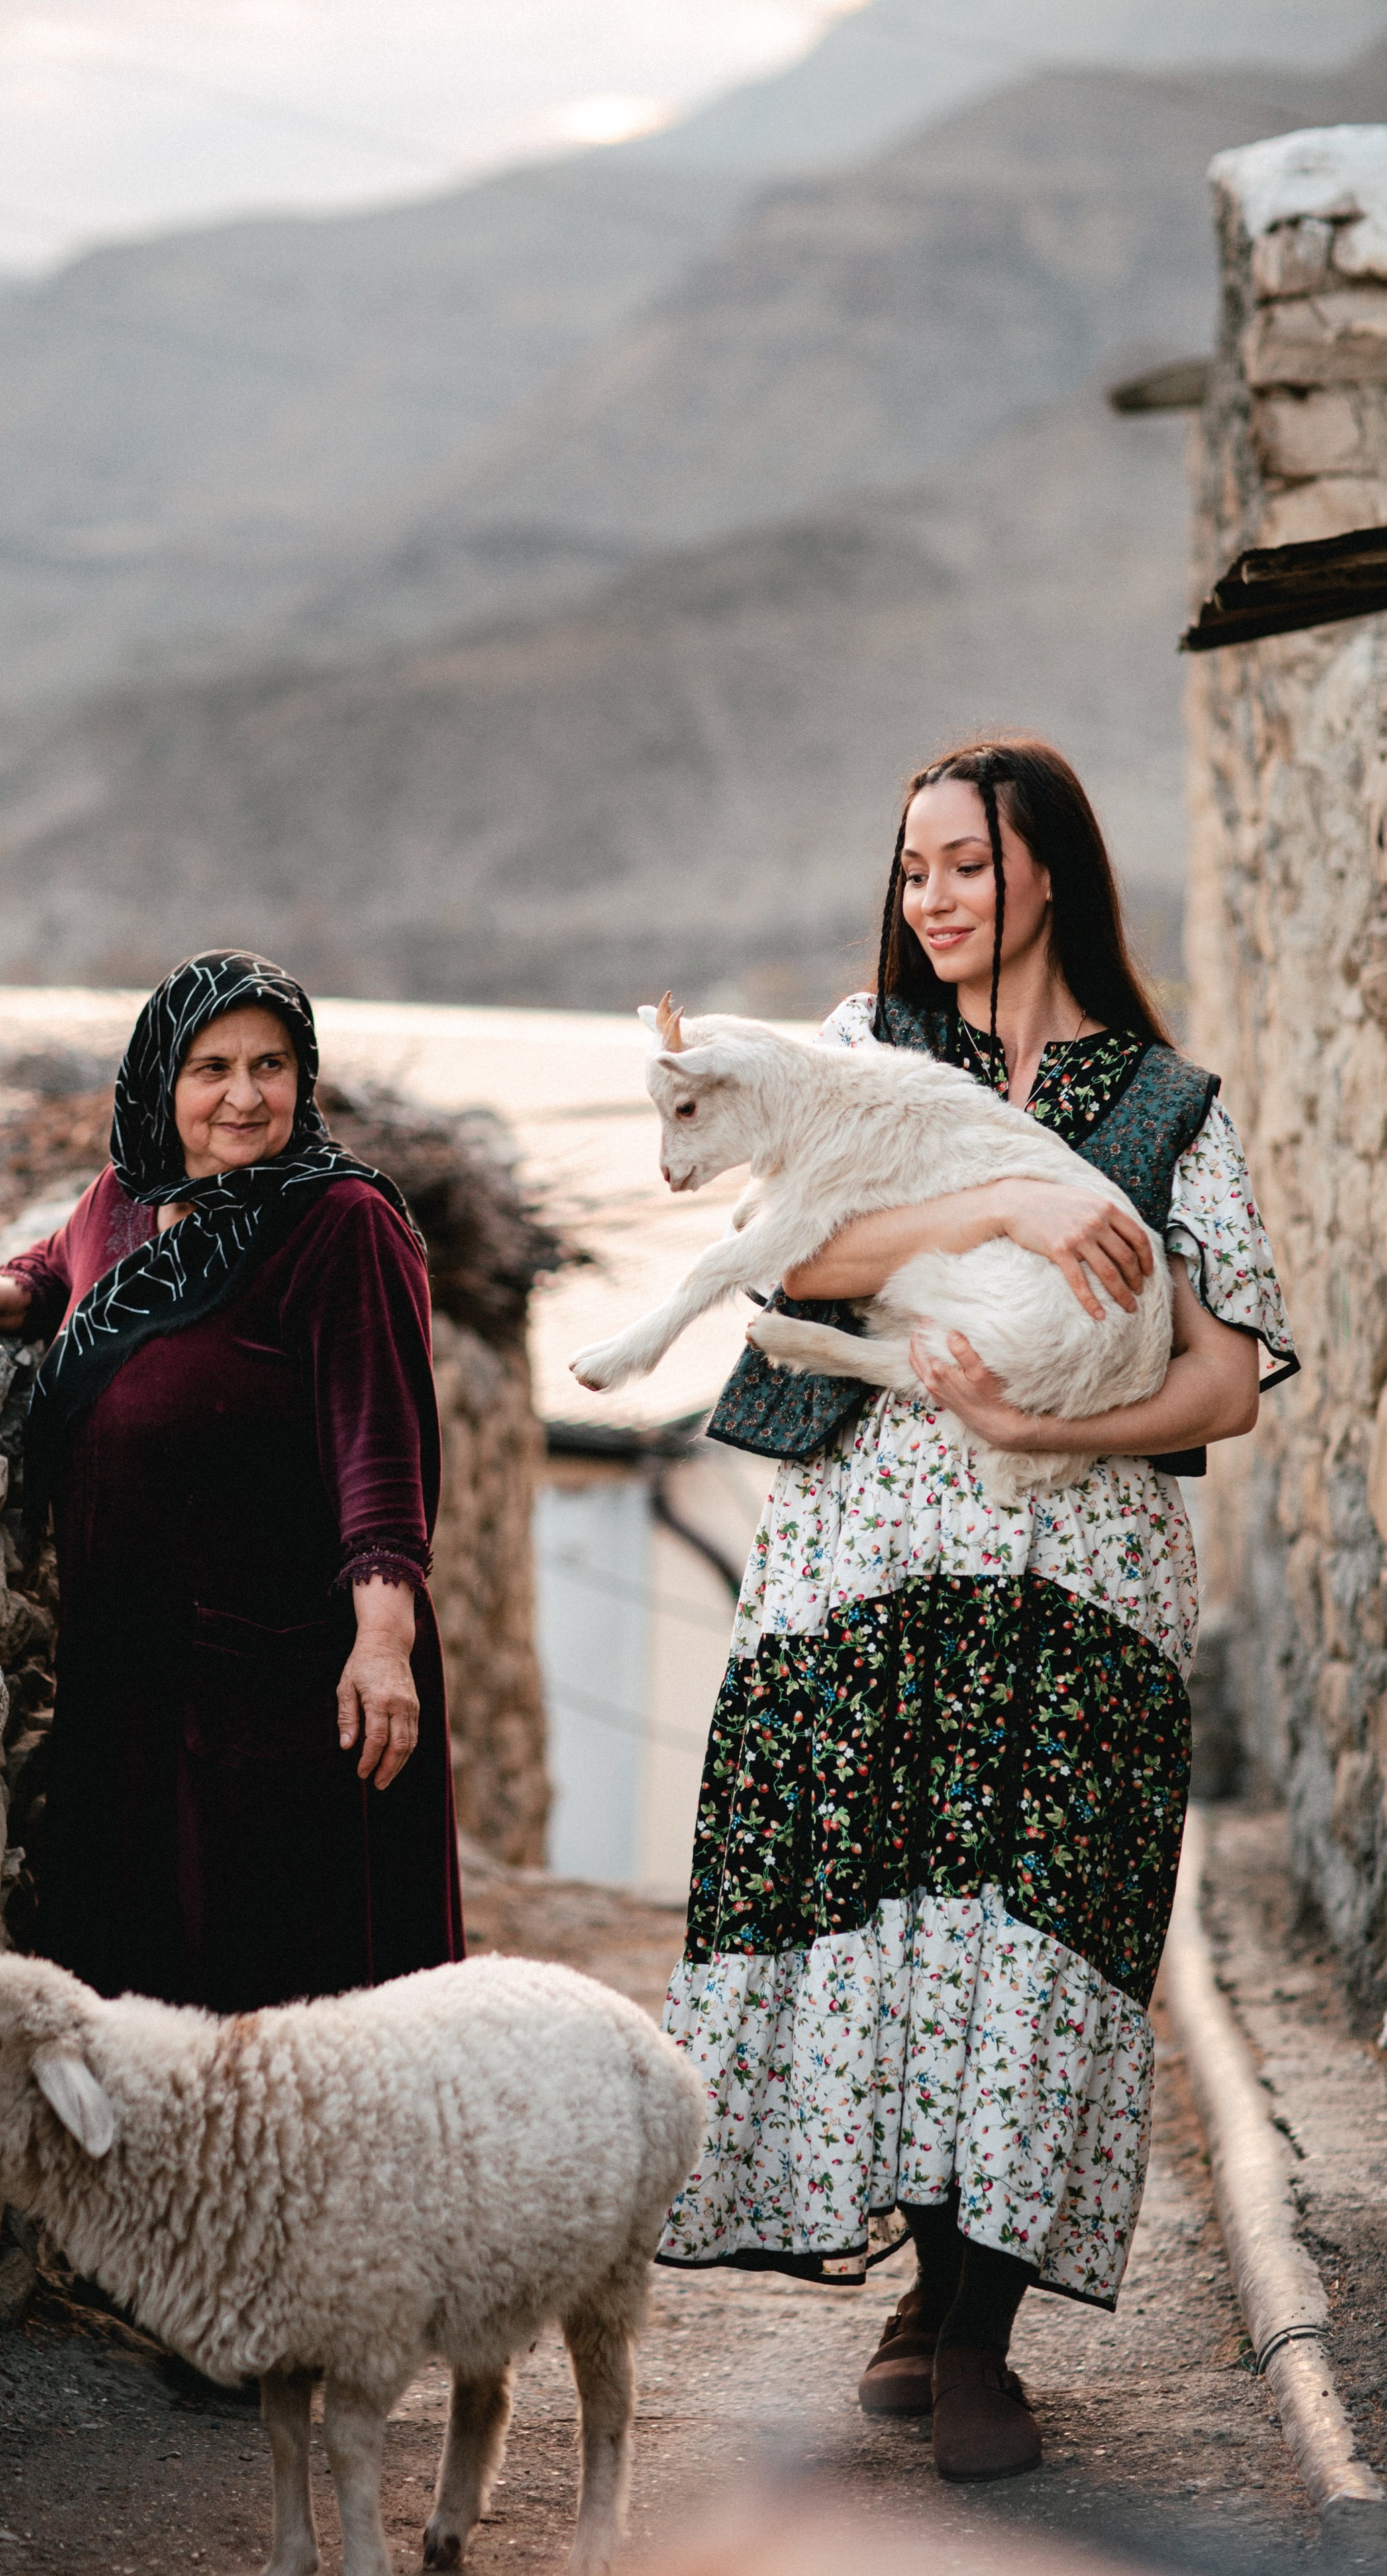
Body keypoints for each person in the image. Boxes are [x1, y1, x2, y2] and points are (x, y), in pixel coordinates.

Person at [658, 741, 1295, 2480]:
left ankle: (977, 2333)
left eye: (966, 864)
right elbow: (794, 1255)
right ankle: (923, 2300)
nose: (933, 898)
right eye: (914, 866)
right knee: (886, 1921)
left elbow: (1227, 1383)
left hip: (1080, 1587)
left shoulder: (1171, 1107)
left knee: (1038, 1933)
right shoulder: (859, 1059)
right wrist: (1011, 1198)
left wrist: (1047, 1423)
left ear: (1053, 875)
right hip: (863, 1569)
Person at [0, 950, 462, 2014]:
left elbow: (382, 1446)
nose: (245, 1096)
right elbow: (67, 1268)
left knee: (283, 1993)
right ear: (160, 1083)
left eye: (272, 1066)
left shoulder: (338, 1223)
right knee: (150, 1985)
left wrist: (383, 1646)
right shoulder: (131, 1197)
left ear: (303, 1078)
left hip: (278, 1688)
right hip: (132, 1679)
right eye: (213, 1067)